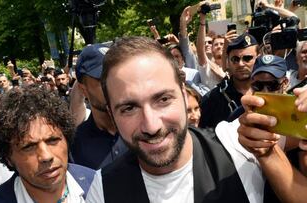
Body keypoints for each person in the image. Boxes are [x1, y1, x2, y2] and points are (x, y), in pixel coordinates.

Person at [100, 36, 249, 202]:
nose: (151, 126)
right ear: (111, 115)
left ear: (184, 96)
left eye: (163, 99)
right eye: (129, 108)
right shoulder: (102, 190)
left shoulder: (239, 148)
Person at [0, 85, 103, 203]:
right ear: (9, 158)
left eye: (52, 140)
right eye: (29, 147)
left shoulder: (99, 185)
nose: (46, 156)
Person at [215, 55, 289, 203]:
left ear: (285, 83)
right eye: (258, 86)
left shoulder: (300, 113)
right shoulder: (239, 117)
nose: (266, 91)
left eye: (273, 85)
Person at [70, 43, 128, 170]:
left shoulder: (144, 126)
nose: (112, 85)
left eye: (115, 76)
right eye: (102, 79)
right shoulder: (74, 145)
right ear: (83, 89)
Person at [199, 33, 258, 129]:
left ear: (258, 58)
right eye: (235, 59)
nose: (241, 64)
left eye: (247, 58)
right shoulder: (213, 98)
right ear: (228, 62)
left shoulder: (270, 90)